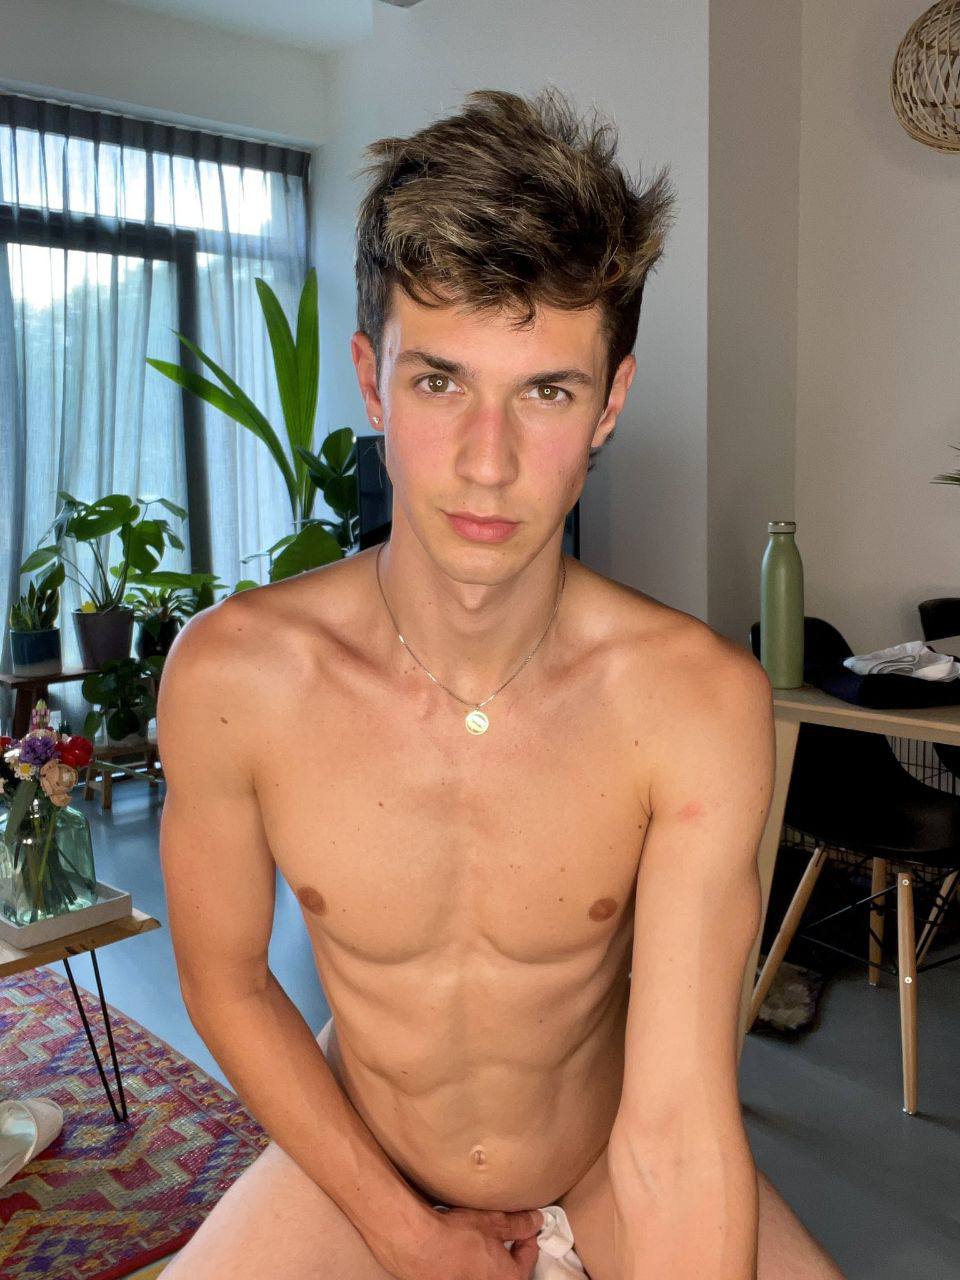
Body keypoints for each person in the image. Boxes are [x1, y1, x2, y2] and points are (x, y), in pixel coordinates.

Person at [156, 87, 847, 1279]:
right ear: (372, 382)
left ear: (609, 403)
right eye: (441, 382)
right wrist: (406, 1232)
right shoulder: (236, 675)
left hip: (606, 1156)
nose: (489, 461)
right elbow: (224, 978)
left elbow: (678, 1126)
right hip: (365, 1158)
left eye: (546, 390)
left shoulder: (693, 701)